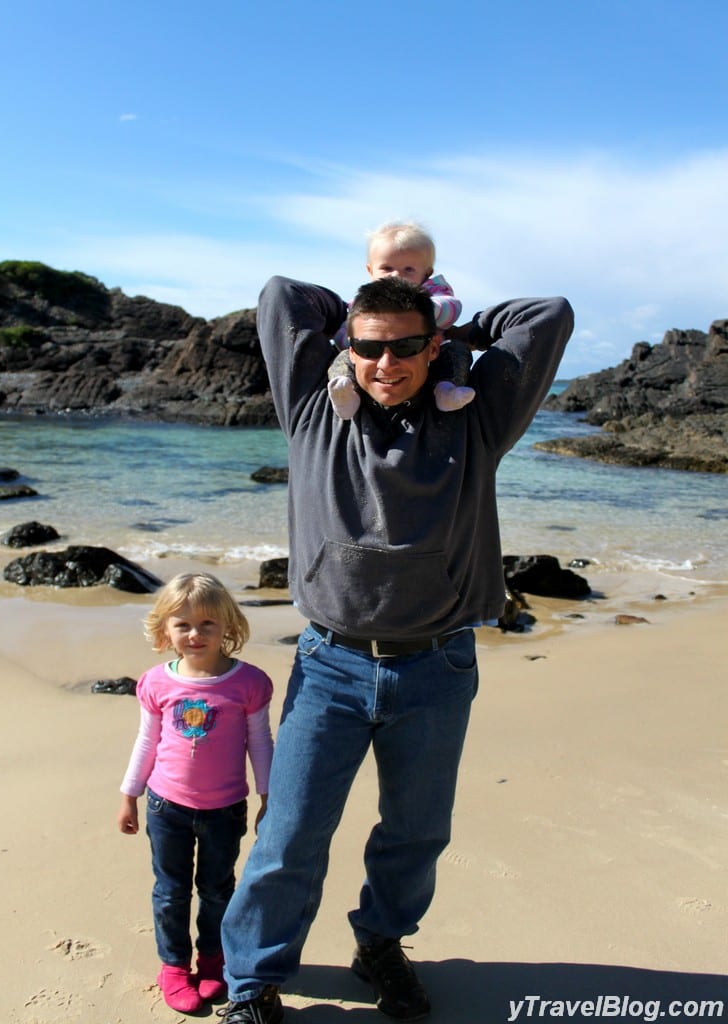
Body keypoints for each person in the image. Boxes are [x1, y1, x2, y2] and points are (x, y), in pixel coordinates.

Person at [219, 276, 574, 1024]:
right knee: (289, 835)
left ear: (432, 345)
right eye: (370, 346)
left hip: (436, 667)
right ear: (347, 346)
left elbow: (548, 314)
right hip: (330, 665)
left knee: (416, 833)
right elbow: (282, 296)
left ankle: (380, 945)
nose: (387, 362)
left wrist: (461, 327)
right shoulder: (313, 409)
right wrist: (359, 307)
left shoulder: (477, 420)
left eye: (407, 346)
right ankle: (253, 982)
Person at [117, 572, 274, 1014]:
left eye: (207, 624)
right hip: (166, 807)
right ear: (165, 629)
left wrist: (268, 797)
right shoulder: (155, 683)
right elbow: (146, 742)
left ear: (229, 626)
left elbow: (260, 742)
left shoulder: (249, 683)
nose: (195, 634)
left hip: (225, 809)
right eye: (182, 624)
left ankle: (212, 959)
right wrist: (129, 794)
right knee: (171, 892)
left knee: (218, 889)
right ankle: (172, 965)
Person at [327, 220, 476, 419]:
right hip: (372, 363)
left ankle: (446, 391)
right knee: (344, 357)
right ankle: (346, 394)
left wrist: (418, 308)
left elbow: (451, 308)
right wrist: (356, 344)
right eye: (387, 268)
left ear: (427, 273)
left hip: (428, 357)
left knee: (457, 351)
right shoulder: (366, 301)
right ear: (370, 271)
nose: (396, 275)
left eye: (408, 269)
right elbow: (349, 329)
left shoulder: (432, 291)